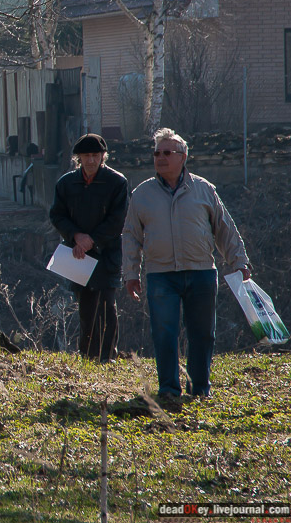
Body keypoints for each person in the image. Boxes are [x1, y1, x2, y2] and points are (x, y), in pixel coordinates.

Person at [123, 128, 250, 399]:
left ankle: (199, 389)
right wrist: (130, 273)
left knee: (203, 335)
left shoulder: (204, 190)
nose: (160, 158)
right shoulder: (141, 194)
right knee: (164, 334)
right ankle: (169, 390)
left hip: (202, 273)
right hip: (161, 276)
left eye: (167, 153)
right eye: (157, 153)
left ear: (183, 157)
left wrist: (239, 261)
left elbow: (225, 229)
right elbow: (131, 236)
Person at [50, 133, 129, 362]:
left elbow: (117, 220)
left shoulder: (117, 182)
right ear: (79, 158)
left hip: (107, 252)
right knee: (85, 306)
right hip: (77, 254)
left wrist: (91, 239)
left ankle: (107, 356)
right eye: (86, 156)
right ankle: (87, 355)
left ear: (103, 156)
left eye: (95, 155)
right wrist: (76, 236)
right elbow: (57, 215)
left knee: (107, 305)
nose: (91, 160)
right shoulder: (66, 183)